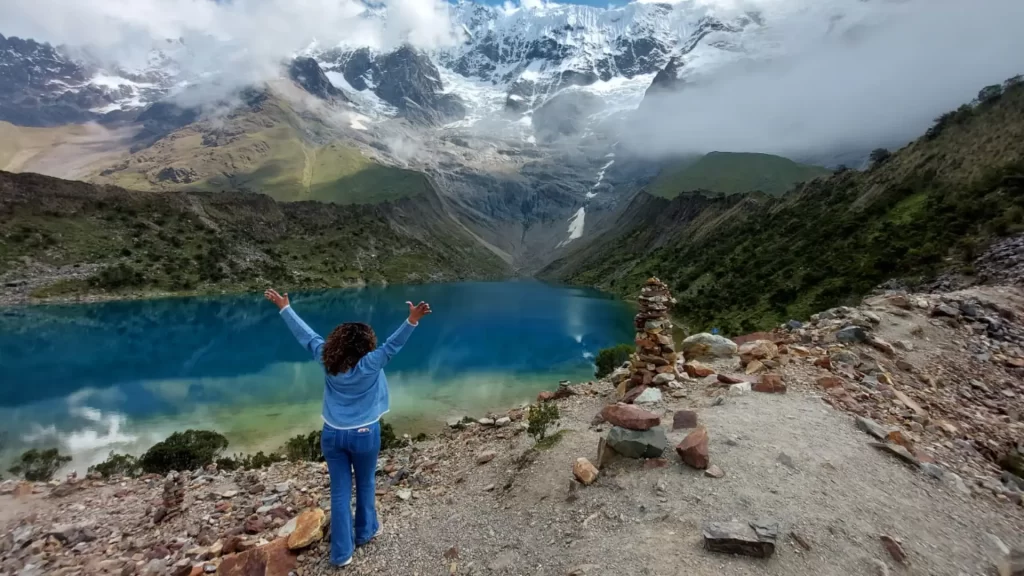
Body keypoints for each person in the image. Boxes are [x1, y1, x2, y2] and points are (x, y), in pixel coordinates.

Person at [264, 288, 431, 568]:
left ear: (337, 343)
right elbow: (393, 345)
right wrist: (412, 319)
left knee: (340, 491)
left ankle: (341, 553)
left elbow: (306, 336)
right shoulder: (370, 363)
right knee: (365, 483)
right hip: (365, 434)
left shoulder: (326, 359)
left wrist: (285, 308)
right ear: (365, 343)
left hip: (332, 434)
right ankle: (365, 532)